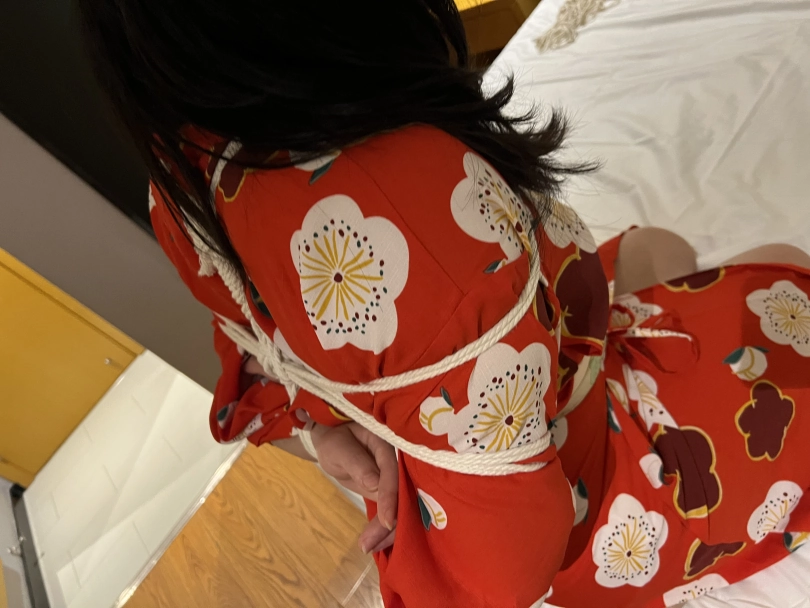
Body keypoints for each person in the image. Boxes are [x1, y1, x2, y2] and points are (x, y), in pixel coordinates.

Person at [77, 2, 810, 606]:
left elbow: (259, 347)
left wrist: (326, 426)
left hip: (528, 391)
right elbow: (507, 565)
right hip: (595, 499)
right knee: (787, 277)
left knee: (664, 251)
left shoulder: (185, 171)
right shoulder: (407, 216)